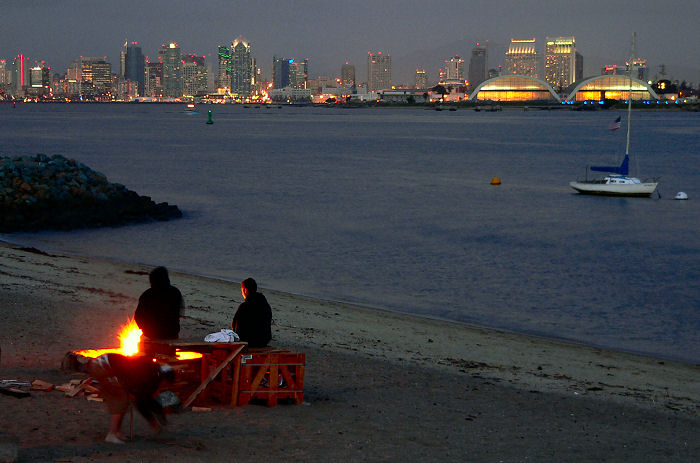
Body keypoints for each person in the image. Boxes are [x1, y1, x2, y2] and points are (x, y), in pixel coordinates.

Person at [86, 353, 175, 444]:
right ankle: (111, 434)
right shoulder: (154, 377)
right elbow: (141, 402)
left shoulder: (152, 369)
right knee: (120, 401)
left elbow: (142, 398)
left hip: (101, 364)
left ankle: (116, 433)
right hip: (103, 366)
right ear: (165, 379)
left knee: (123, 401)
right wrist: (155, 422)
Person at [134, 266, 184, 340]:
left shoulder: (147, 295)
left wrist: (144, 328)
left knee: (143, 340)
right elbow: (180, 312)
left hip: (150, 334)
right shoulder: (175, 292)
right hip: (171, 334)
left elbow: (138, 316)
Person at [232, 278, 272, 348]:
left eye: (242, 291)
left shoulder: (244, 307)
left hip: (249, 342)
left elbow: (235, 325)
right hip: (264, 340)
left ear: (245, 290)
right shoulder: (265, 305)